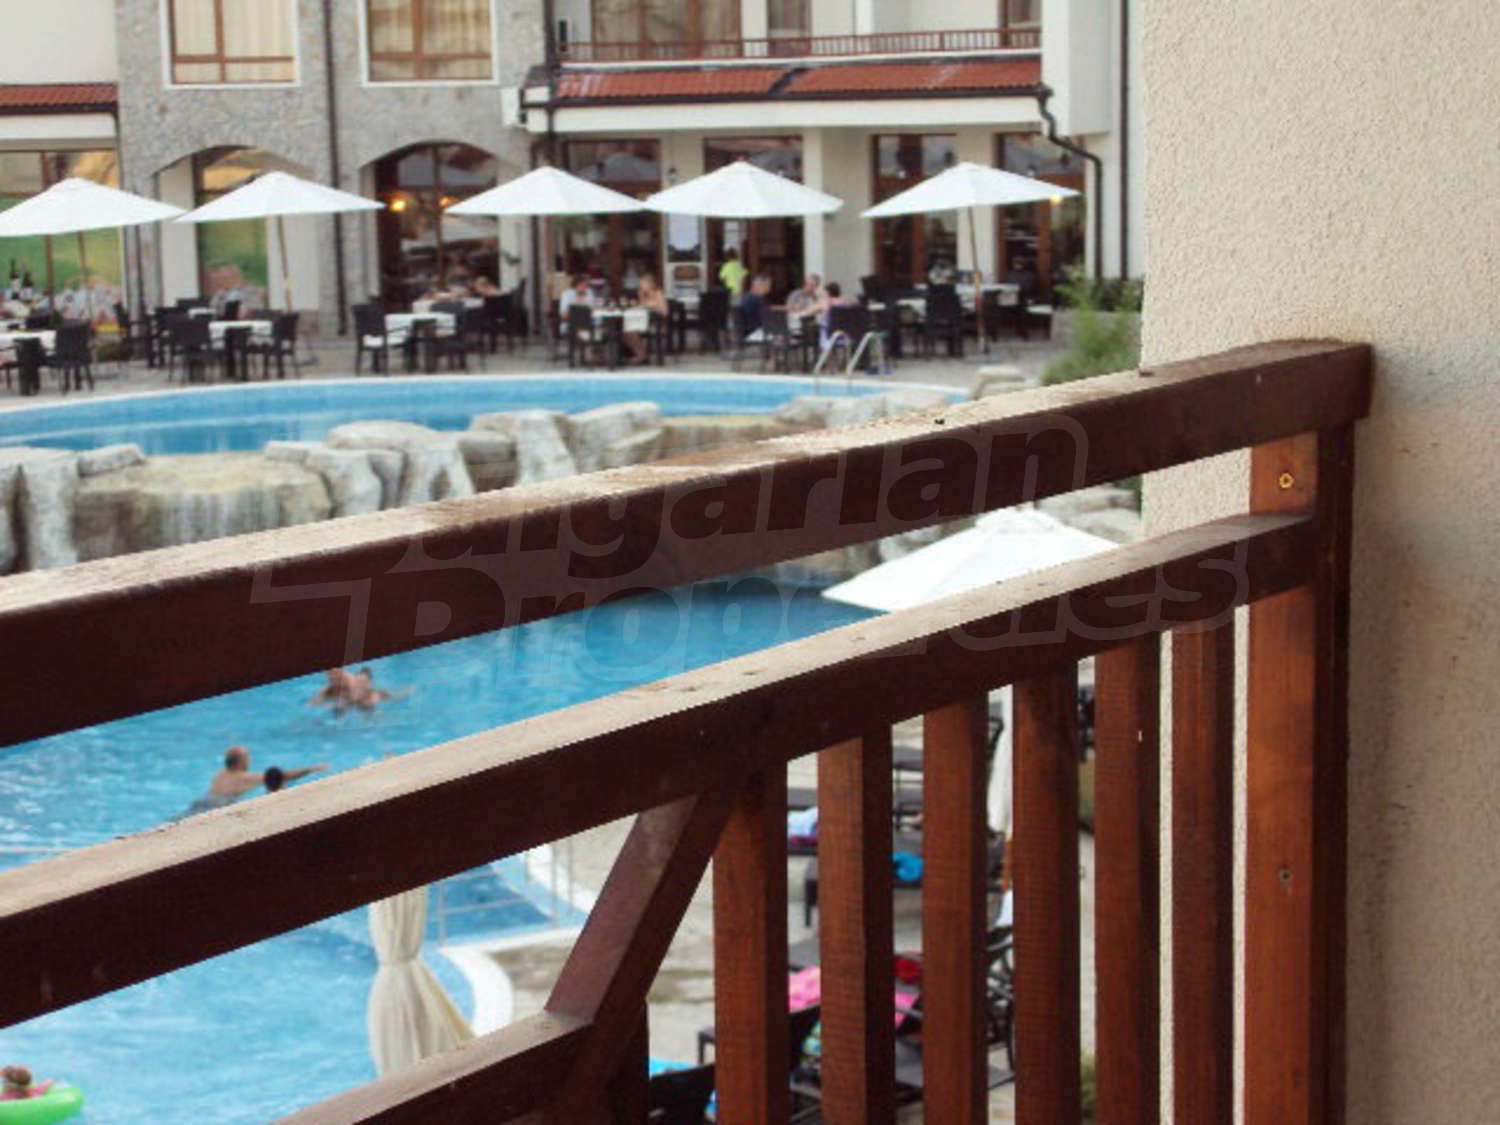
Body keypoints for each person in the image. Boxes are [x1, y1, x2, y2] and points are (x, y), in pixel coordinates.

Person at [179, 746, 328, 817]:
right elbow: (280, 776)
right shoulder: (245, 778)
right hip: (217, 806)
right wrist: (311, 769)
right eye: (247, 757)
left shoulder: (220, 775)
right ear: (240, 762)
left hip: (200, 803)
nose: (249, 760)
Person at [625, 274, 669, 362]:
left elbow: (665, 311)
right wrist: (640, 299)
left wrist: (652, 306)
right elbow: (641, 307)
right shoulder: (643, 294)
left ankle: (641, 355)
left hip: (657, 323)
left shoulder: (658, 293)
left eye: (643, 284)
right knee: (625, 333)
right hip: (643, 321)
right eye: (640, 285)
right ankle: (641, 353)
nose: (641, 287)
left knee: (631, 331)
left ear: (650, 284)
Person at [737, 272, 772, 342]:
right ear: (760, 286)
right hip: (755, 333)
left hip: (746, 333)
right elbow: (769, 317)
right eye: (768, 285)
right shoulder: (758, 299)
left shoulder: (746, 297)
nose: (769, 288)